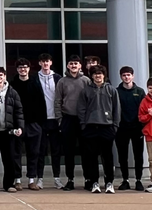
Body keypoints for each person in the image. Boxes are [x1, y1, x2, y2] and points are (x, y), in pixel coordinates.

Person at [78, 64, 120, 193]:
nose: (98, 76)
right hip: (90, 127)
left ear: (104, 75)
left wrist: (115, 126)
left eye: (100, 74)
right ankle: (94, 182)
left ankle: (109, 182)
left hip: (107, 127)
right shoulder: (86, 90)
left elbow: (116, 109)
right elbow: (81, 109)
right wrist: (83, 125)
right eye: (95, 74)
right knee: (92, 157)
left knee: (107, 157)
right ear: (91, 76)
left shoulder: (111, 90)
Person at [54, 57, 90, 190]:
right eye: (71, 63)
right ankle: (70, 179)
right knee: (69, 152)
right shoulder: (62, 81)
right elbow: (57, 101)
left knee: (86, 151)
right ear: (68, 66)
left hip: (83, 120)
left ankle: (88, 179)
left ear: (80, 66)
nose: (73, 65)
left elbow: (90, 99)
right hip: (67, 119)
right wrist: (60, 119)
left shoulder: (86, 81)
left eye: (76, 63)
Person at [10, 59, 45, 190]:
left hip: (33, 124)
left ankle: (31, 179)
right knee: (16, 153)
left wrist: (40, 124)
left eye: (25, 67)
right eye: (20, 67)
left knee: (34, 152)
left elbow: (42, 104)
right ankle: (17, 179)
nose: (23, 69)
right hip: (17, 124)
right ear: (17, 69)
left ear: (29, 68)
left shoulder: (35, 83)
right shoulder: (12, 84)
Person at [35, 54, 64, 188]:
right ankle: (39, 179)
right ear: (40, 63)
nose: (45, 63)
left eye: (47, 61)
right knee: (40, 151)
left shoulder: (58, 78)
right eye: (43, 61)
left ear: (51, 62)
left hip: (55, 120)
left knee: (56, 151)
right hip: (41, 120)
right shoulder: (35, 78)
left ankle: (57, 178)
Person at [115, 66, 146, 191]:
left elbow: (144, 109)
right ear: (121, 77)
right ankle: (125, 180)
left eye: (128, 75)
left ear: (133, 76)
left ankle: (138, 180)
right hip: (121, 128)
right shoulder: (116, 92)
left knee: (138, 155)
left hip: (137, 128)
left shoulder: (140, 92)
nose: (126, 77)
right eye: (124, 75)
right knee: (122, 156)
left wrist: (142, 126)